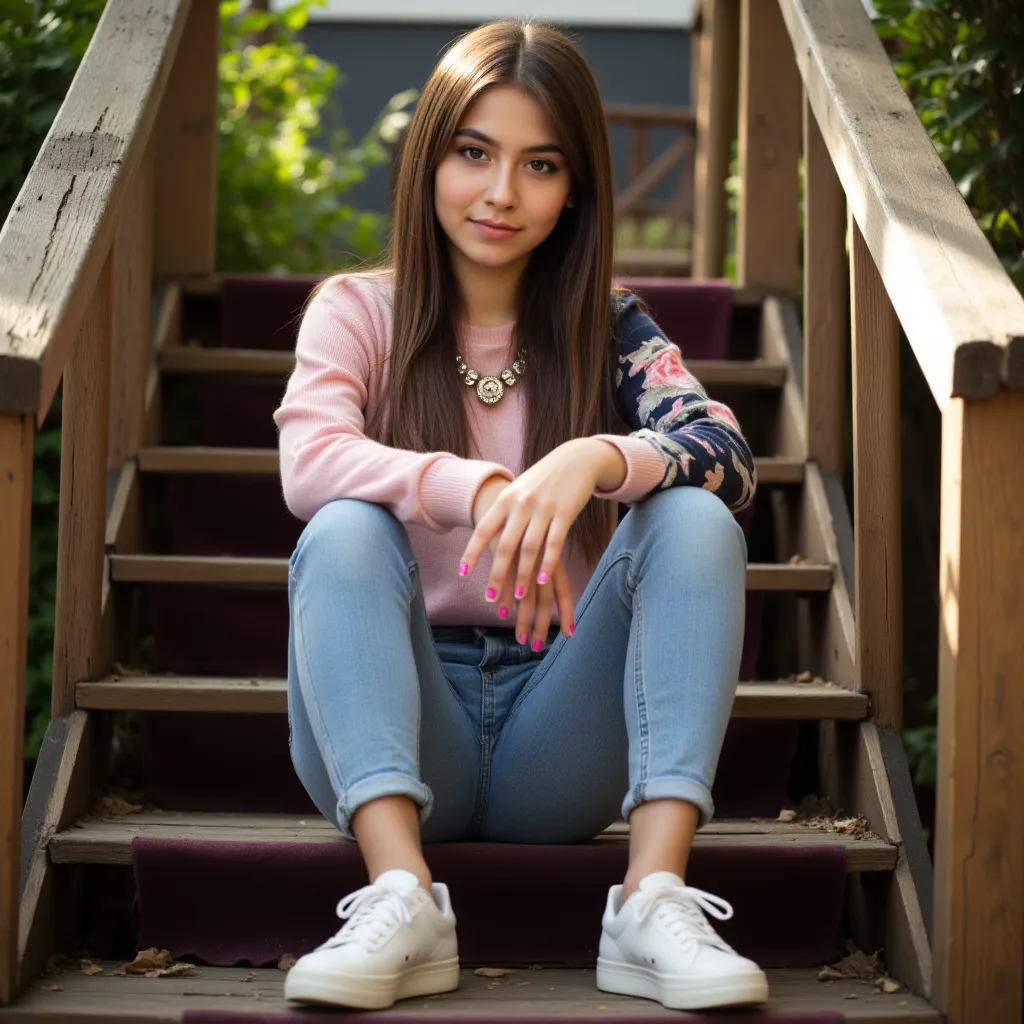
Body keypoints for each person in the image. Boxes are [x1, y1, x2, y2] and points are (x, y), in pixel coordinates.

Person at [273, 18, 765, 1013]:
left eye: (538, 164)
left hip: (560, 729)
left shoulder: (611, 330)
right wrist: (480, 487)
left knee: (696, 520)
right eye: (473, 153)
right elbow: (309, 460)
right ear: (429, 160)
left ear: (574, 185)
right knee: (343, 525)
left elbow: (727, 453)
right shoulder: (357, 311)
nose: (501, 192)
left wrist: (594, 456)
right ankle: (399, 893)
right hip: (399, 718)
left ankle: (650, 898)